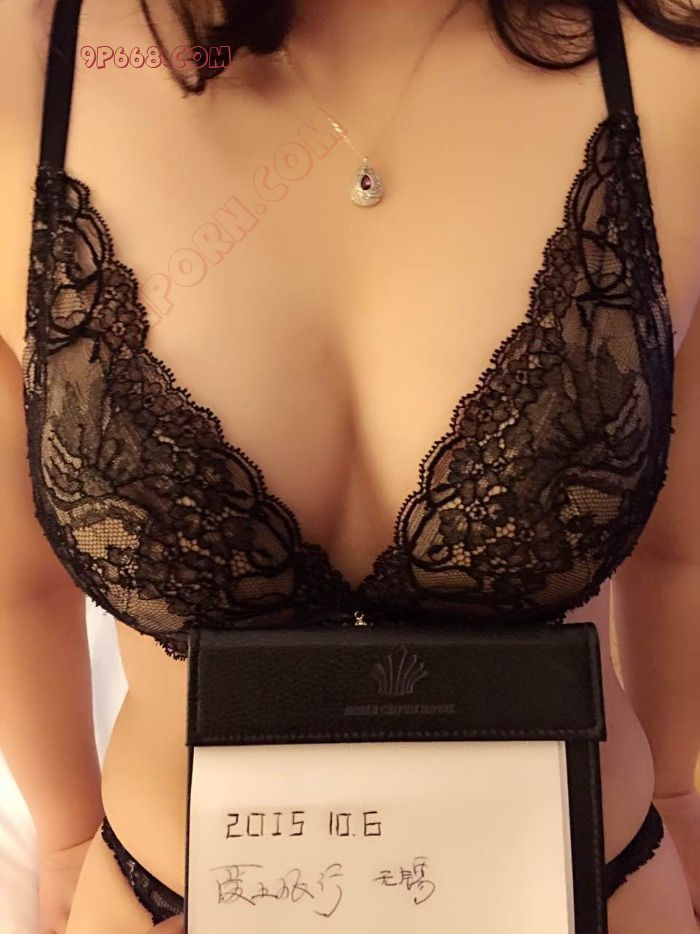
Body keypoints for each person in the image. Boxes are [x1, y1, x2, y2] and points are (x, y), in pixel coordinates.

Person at [0, 0, 699, 931]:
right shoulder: (25, 68)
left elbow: (680, 551)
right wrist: (61, 837)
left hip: (591, 883)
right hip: (171, 896)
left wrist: (680, 797)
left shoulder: (671, 65)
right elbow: (17, 580)